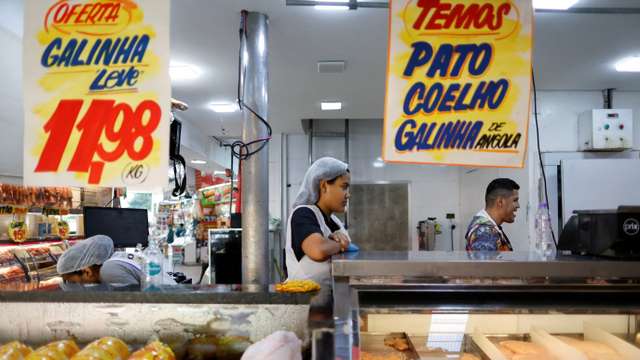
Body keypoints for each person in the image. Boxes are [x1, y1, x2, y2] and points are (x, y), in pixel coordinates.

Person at [285, 157, 351, 287]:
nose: (348, 194)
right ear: (324, 186)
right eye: (344, 187)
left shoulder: (334, 221)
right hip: (304, 300)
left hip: (325, 297)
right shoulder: (303, 214)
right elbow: (318, 250)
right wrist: (341, 245)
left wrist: (336, 244)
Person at [57, 235, 143, 286]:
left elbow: (133, 304)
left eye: (73, 282)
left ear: (87, 272)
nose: (80, 285)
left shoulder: (109, 270)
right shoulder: (117, 258)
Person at [465, 178, 520, 251]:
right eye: (515, 200)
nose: (518, 205)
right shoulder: (484, 234)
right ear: (500, 202)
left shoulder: (489, 228)